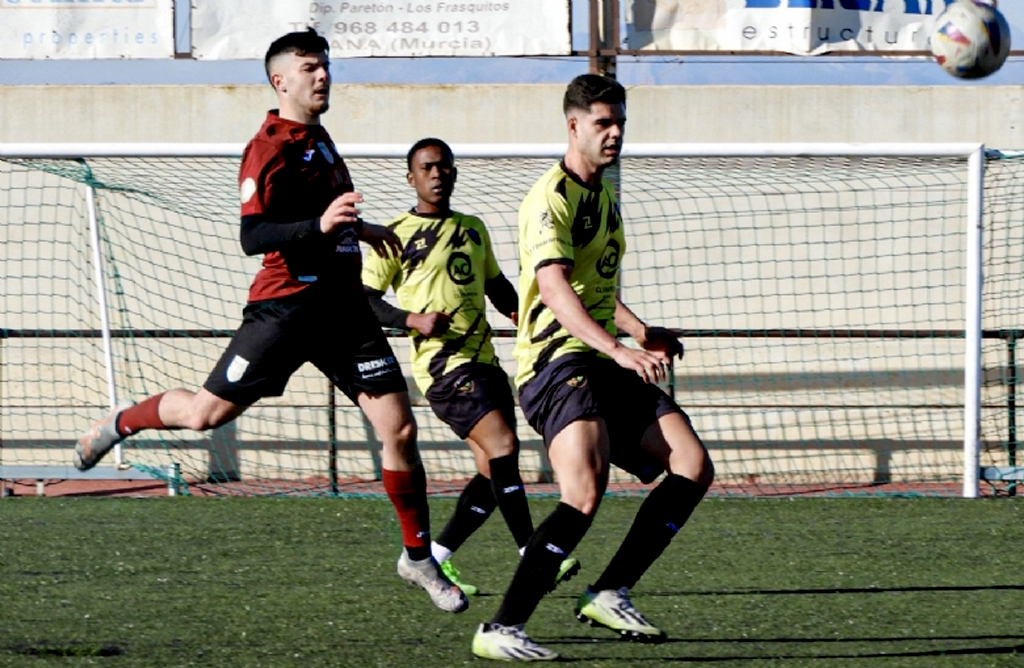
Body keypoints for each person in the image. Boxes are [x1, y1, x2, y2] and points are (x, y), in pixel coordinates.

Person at [73, 28, 467, 615]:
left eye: (327, 65)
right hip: (284, 310)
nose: (324, 75)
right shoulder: (267, 147)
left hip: (342, 310)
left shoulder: (322, 138)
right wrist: (324, 227)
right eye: (311, 67)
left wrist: (367, 230)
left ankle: (416, 556)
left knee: (399, 429)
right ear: (281, 79)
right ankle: (122, 421)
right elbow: (252, 236)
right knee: (208, 414)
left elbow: (325, 215)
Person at [470, 74, 715, 661]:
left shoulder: (604, 197)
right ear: (573, 125)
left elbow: (593, 287)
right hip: (554, 362)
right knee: (583, 491)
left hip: (598, 355)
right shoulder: (548, 199)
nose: (615, 134)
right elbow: (553, 288)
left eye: (620, 122)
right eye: (603, 123)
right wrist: (617, 349)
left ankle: (609, 590)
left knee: (692, 465)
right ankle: (501, 628)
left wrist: (638, 331)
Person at [361, 138, 579, 596]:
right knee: (502, 445)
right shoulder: (394, 234)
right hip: (444, 367)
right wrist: (411, 320)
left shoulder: (473, 228)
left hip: (485, 362)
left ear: (454, 173)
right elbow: (361, 301)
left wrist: (528, 315)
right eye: (427, 168)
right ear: (412, 178)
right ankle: (533, 553)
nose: (437, 175)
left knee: (490, 470)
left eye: (444, 167)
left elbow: (497, 287)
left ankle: (431, 558)